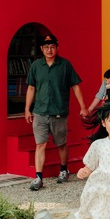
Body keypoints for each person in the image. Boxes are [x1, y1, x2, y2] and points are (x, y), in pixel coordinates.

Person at [24, 33, 89, 191]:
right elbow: (31, 88)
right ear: (41, 48)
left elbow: (75, 86)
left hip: (59, 111)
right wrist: (27, 109)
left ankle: (63, 169)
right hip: (39, 111)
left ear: (57, 48)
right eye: (46, 47)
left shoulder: (65, 65)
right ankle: (38, 177)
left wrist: (83, 106)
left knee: (61, 143)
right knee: (40, 144)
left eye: (52, 47)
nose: (49, 50)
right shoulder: (36, 66)